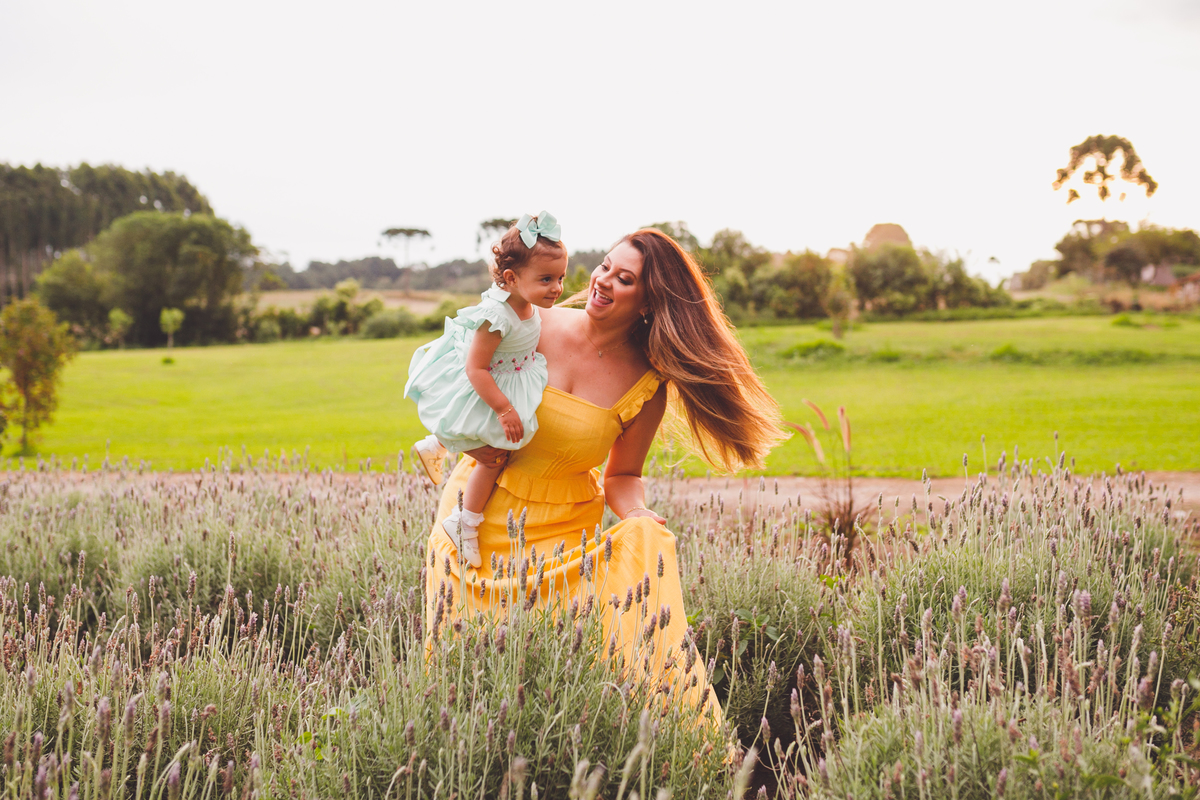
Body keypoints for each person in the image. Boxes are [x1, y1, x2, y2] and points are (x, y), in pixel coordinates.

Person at [424, 228, 784, 708]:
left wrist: (636, 514)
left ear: (649, 300)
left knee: (553, 686)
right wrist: (467, 445)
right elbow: (454, 382)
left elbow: (622, 476)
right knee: (459, 679)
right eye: (604, 267)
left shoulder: (647, 383)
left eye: (625, 278)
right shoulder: (528, 323)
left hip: (563, 535)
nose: (603, 281)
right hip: (473, 518)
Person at [405, 212, 567, 568]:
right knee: (495, 457)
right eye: (546, 279)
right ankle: (463, 521)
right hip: (488, 384)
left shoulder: (525, 301)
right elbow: (475, 368)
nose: (556, 287)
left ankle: (438, 443)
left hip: (511, 376)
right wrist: (504, 408)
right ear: (511, 278)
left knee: (488, 440)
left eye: (560, 278)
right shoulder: (497, 316)